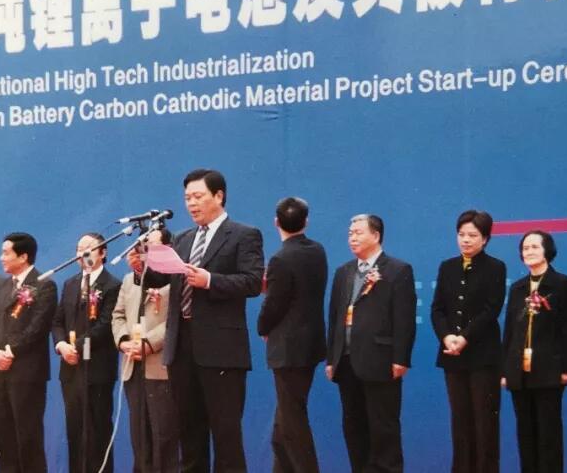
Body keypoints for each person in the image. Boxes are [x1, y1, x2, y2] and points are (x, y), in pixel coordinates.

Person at [138, 168, 264, 472]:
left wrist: (210, 280)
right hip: (181, 349)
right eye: (187, 198)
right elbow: (161, 279)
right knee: (189, 436)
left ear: (218, 196)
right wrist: (146, 262)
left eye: (198, 196)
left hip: (221, 351)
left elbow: (252, 282)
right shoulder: (183, 239)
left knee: (225, 437)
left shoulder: (243, 234)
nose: (191, 204)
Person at [326, 214, 415, 473]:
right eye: (350, 233)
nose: (352, 238)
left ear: (375, 236)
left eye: (358, 233)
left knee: (383, 428)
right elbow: (335, 317)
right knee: (354, 427)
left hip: (381, 360)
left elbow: (404, 318)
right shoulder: (343, 272)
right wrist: (332, 358)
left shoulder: (397, 270)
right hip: (346, 362)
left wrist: (401, 358)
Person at [431, 210, 506, 473]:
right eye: (461, 234)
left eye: (472, 235)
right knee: (460, 422)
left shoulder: (495, 267)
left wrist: (465, 337)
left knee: (485, 423)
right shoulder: (447, 267)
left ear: (485, 238)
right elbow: (437, 309)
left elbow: (491, 309)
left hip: (483, 357)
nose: (465, 240)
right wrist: (447, 337)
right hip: (453, 355)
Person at [257, 197, 327, 473]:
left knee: (292, 423)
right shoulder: (317, 250)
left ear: (276, 222)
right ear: (306, 221)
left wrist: (263, 328)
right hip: (311, 346)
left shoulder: (280, 258)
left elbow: (274, 303)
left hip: (287, 349)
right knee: (284, 422)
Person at [500, 230, 567, 473]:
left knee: (548, 434)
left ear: (547, 251)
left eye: (534, 247)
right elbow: (509, 331)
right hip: (518, 372)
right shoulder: (517, 287)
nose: (529, 252)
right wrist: (505, 370)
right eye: (525, 248)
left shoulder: (561, 284)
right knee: (525, 433)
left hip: (549, 370)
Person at [0, 231, 57, 473]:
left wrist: (9, 351)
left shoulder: (44, 284)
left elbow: (38, 327)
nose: (1, 258)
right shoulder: (2, 285)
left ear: (23, 256)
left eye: (6, 253)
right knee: (3, 436)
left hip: (27, 372)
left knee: (28, 436)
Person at [52, 232, 121, 472]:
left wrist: (78, 347)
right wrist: (61, 346)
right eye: (79, 249)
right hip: (70, 368)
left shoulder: (112, 285)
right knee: (75, 430)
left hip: (98, 368)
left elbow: (105, 324)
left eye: (89, 248)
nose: (83, 253)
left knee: (98, 429)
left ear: (103, 253)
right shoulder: (70, 284)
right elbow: (57, 321)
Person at [113, 225, 177, 473]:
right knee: (139, 436)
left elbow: (175, 320)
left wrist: (149, 343)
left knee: (164, 435)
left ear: (168, 248)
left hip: (160, 366)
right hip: (132, 365)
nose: (144, 251)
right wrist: (123, 340)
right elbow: (118, 315)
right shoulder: (130, 280)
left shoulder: (175, 277)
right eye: (142, 246)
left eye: (151, 246)